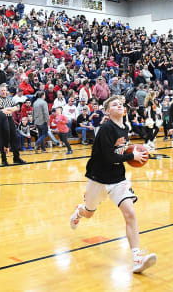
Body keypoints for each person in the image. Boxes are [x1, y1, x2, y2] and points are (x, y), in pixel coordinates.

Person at [69, 95, 156, 274]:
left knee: (130, 214)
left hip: (118, 179)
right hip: (98, 178)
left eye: (121, 104)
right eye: (114, 104)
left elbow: (122, 151)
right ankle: (79, 211)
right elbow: (109, 157)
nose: (119, 106)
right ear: (107, 111)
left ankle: (137, 258)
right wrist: (132, 156)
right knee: (89, 213)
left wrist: (137, 150)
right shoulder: (106, 129)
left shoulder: (125, 127)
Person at [0, 84, 26, 165]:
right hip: (1, 120)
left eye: (4, 90)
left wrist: (8, 109)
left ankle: (16, 158)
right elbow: (2, 111)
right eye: (2, 90)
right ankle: (4, 159)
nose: (3, 92)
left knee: (15, 138)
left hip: (10, 119)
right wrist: (11, 109)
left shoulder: (9, 98)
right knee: (3, 140)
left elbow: (17, 108)